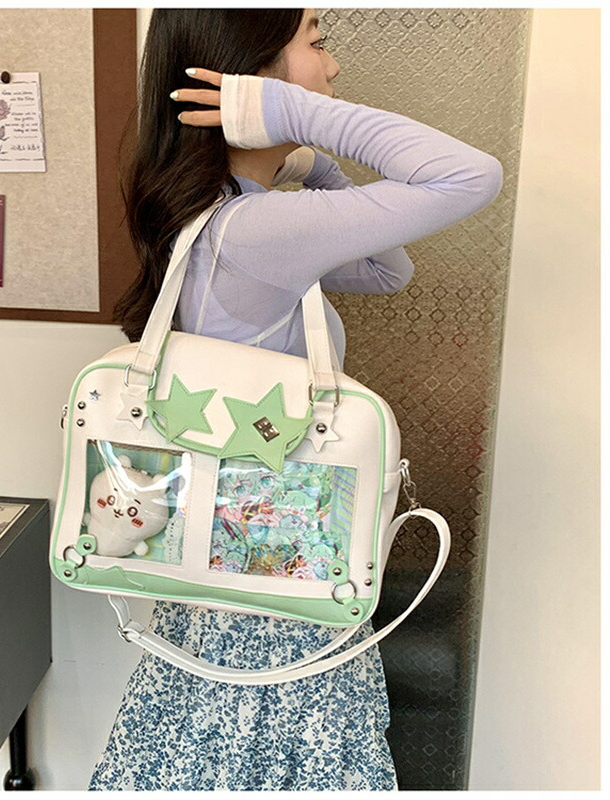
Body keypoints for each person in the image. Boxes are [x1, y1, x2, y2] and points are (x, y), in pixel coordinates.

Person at [88, 8, 502, 791]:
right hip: (278, 593)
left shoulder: (220, 218)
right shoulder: (255, 231)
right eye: (316, 42)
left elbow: (387, 272)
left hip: (230, 579)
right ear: (252, 73)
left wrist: (311, 162)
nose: (333, 66)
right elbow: (470, 175)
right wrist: (294, 113)